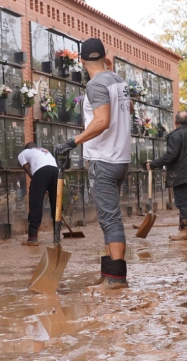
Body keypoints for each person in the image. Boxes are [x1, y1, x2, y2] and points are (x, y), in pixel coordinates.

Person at [54, 38, 132, 289]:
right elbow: (128, 109)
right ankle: (108, 273)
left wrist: (72, 142)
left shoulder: (96, 84)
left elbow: (102, 121)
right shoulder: (118, 81)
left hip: (104, 158)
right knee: (107, 218)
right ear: (104, 57)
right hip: (120, 158)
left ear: (81, 60)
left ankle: (116, 278)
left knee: (110, 219)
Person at [147, 111, 187, 241]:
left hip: (180, 174)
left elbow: (171, 155)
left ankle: (186, 230)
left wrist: (154, 164)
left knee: (182, 202)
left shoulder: (176, 135)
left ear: (176, 122)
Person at [17, 142, 59, 246]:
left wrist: (36, 180)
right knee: (56, 203)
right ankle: (57, 237)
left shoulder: (23, 153)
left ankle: (32, 238)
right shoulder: (45, 151)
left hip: (41, 172)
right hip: (56, 172)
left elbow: (26, 168)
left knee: (35, 202)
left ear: (27, 148)